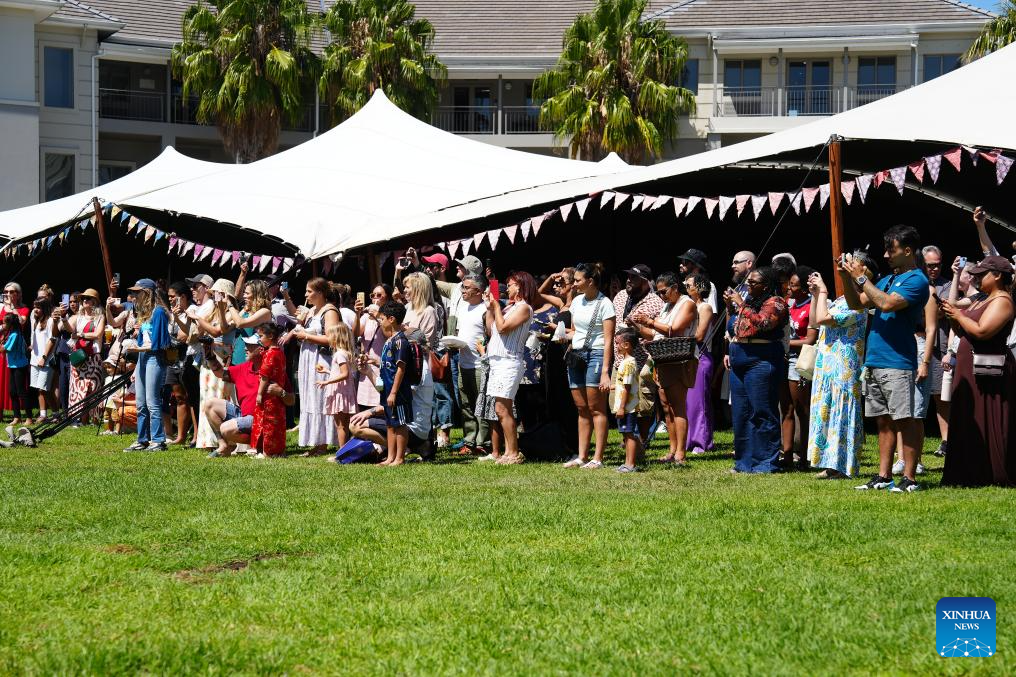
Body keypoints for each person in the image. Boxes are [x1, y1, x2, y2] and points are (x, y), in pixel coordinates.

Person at [843, 225, 930, 493]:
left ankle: (910, 478)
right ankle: (883, 476)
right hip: (875, 359)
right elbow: (856, 304)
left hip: (898, 361)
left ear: (908, 251)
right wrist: (846, 276)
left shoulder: (917, 280)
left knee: (905, 420)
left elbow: (886, 304)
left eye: (891, 250)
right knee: (882, 420)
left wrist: (861, 278)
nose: (885, 255)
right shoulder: (888, 279)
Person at [941, 255, 1015, 487]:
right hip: (969, 367)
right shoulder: (981, 299)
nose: (977, 278)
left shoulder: (1003, 300)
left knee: (987, 417)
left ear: (998, 276)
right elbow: (963, 330)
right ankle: (965, 470)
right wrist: (952, 317)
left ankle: (989, 471)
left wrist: (958, 315)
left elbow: (983, 331)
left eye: (983, 274)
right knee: (966, 416)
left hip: (988, 372)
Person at [806, 260, 874, 479]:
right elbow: (815, 322)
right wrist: (816, 295)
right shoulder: (842, 300)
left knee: (842, 412)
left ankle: (843, 465)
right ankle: (829, 462)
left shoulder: (860, 303)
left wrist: (824, 291)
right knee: (826, 409)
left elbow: (824, 318)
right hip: (827, 362)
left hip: (844, 365)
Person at [723, 267, 789, 474]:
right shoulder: (750, 302)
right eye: (748, 282)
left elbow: (764, 323)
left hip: (761, 359)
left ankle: (765, 462)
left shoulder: (776, 302)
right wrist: (730, 307)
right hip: (739, 357)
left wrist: (740, 304)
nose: (748, 286)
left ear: (766, 285)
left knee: (762, 411)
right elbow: (733, 327)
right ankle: (744, 462)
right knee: (740, 412)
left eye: (753, 282)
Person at [630, 271, 696, 465]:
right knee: (667, 408)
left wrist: (650, 321)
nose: (661, 296)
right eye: (658, 292)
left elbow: (675, 329)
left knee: (678, 406)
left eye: (663, 291)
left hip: (680, 360)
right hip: (662, 359)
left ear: (675, 287)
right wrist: (637, 325)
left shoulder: (687, 304)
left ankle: (681, 453)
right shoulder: (667, 306)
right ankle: (672, 450)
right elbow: (655, 334)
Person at [474, 271, 535, 465]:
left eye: (510, 285)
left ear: (520, 286)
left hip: (509, 361)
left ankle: (514, 453)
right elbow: (491, 329)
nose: (507, 288)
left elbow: (503, 328)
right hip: (497, 361)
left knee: (502, 408)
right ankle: (509, 452)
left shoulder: (524, 308)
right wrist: (490, 309)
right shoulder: (510, 307)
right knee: (501, 408)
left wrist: (496, 307)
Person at [347, 329, 435, 462]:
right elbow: (385, 392)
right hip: (415, 427)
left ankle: (404, 449)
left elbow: (396, 401)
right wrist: (369, 371)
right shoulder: (418, 366)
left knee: (357, 426)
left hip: (412, 428)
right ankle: (400, 449)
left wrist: (370, 412)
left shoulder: (417, 370)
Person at [561, 263, 616, 469]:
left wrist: (605, 372)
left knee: (596, 408)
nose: (574, 284)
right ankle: (582, 456)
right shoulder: (576, 302)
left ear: (590, 281)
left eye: (577, 280)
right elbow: (575, 331)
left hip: (597, 354)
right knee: (582, 408)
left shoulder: (605, 304)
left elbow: (609, 340)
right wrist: (562, 336)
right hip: (576, 354)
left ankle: (598, 458)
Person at [204, 335, 294, 457]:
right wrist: (209, 355)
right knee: (209, 404)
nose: (245, 348)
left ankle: (260, 443)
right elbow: (220, 373)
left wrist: (281, 392)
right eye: (246, 345)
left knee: (225, 429)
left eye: (250, 346)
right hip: (244, 416)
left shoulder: (274, 370)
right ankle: (224, 446)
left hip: (262, 420)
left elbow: (291, 401)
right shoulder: (244, 367)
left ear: (260, 349)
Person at [287, 277, 341, 454]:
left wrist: (306, 336)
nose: (306, 295)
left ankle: (323, 443)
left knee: (320, 397)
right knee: (310, 397)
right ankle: (316, 441)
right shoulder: (312, 311)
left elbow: (332, 339)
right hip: (308, 357)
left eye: (309, 291)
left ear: (320, 293)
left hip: (321, 359)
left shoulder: (330, 311)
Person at [121, 280, 172, 452]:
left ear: (147, 293)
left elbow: (160, 344)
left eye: (137, 292)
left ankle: (158, 440)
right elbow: (144, 340)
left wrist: (137, 348)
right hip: (143, 358)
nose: (134, 296)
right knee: (140, 402)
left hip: (154, 358)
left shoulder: (159, 312)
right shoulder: (144, 313)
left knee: (152, 401)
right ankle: (142, 439)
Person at [188, 278, 237, 449]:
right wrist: (195, 320)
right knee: (206, 396)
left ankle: (225, 439)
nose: (214, 297)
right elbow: (199, 332)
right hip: (208, 356)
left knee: (221, 397)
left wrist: (198, 318)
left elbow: (218, 331)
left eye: (217, 293)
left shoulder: (231, 313)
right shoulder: (211, 312)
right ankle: (208, 440)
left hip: (223, 358)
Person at [453, 273, 492, 456]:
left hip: (479, 365)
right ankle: (469, 440)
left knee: (480, 403)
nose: (463, 290)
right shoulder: (463, 308)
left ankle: (483, 442)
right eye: (463, 287)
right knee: (466, 404)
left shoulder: (485, 309)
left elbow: (491, 335)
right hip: (463, 363)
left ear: (478, 291)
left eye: (467, 287)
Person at [784, 266, 818, 467]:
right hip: (785, 358)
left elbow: (810, 339)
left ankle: (804, 456)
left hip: (800, 360)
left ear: (804, 288)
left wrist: (784, 343)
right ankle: (787, 456)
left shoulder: (811, 305)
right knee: (786, 408)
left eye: (793, 285)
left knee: (801, 409)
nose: (789, 288)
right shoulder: (790, 305)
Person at [922, 245, 952, 457]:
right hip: (917, 344)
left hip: (940, 347)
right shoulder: (915, 283)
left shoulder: (948, 285)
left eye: (937, 265)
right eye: (929, 265)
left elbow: (945, 310)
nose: (934, 269)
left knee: (941, 396)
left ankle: (946, 440)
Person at [374, 301, 412, 466]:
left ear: (391, 319)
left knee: (399, 424)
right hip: (387, 390)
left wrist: (394, 392)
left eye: (382, 319)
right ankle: (390, 457)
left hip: (398, 392)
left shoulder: (400, 341)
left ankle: (400, 458)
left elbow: (401, 368)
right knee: (390, 424)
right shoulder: (389, 340)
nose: (380, 322)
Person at [63, 288, 106, 426]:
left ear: (95, 301)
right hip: (79, 357)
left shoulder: (100, 317)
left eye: (88, 298)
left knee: (93, 388)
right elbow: (69, 329)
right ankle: (80, 420)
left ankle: (94, 419)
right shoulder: (78, 316)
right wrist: (63, 318)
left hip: (93, 357)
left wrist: (80, 334)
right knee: (78, 388)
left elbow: (97, 334)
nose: (85, 300)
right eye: (83, 298)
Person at [684, 272, 716, 454]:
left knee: (699, 403)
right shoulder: (687, 305)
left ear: (699, 287)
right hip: (689, 355)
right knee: (689, 402)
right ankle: (689, 439)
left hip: (700, 355)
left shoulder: (705, 307)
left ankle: (702, 442)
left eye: (689, 285)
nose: (686, 287)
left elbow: (700, 335)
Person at [317, 322, 358, 448]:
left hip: (340, 392)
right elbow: (344, 373)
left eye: (330, 336)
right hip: (345, 391)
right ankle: (345, 451)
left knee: (340, 426)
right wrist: (327, 371)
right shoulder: (345, 353)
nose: (328, 338)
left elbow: (345, 374)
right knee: (344, 425)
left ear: (337, 337)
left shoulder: (339, 354)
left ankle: (341, 452)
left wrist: (326, 382)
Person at [252, 322, 290, 457]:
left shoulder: (270, 354)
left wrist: (259, 394)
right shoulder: (280, 352)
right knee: (277, 423)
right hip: (278, 395)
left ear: (271, 336)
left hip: (268, 395)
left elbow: (264, 376)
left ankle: (267, 451)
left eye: (261, 336)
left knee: (267, 423)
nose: (259, 339)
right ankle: (278, 450)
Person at [353, 283, 392, 410]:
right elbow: (356, 333)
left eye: (379, 295)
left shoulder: (390, 316)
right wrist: (358, 314)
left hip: (381, 365)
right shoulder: (367, 316)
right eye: (373, 295)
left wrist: (378, 315)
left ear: (387, 297)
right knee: (364, 404)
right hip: (367, 366)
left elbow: (390, 334)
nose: (375, 297)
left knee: (381, 399)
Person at [612, 329, 642, 473]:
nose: (616, 346)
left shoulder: (629, 363)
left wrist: (622, 407)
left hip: (628, 407)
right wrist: (611, 386)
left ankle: (630, 464)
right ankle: (627, 463)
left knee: (629, 435)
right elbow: (623, 384)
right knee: (626, 434)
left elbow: (627, 387)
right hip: (626, 406)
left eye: (617, 343)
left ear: (626, 345)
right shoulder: (626, 362)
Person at [228, 278, 272, 366]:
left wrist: (229, 304)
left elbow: (240, 323)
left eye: (247, 293)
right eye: (244, 293)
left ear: (257, 295)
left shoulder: (265, 312)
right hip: (236, 357)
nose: (244, 296)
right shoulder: (246, 310)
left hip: (251, 361)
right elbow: (227, 326)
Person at [1, 282, 29, 420]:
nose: (8, 294)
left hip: (14, 349)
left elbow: (21, 322)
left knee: (17, 386)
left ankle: (21, 415)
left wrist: (12, 307)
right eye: (6, 291)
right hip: (3, 346)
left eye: (11, 291)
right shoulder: (1, 307)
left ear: (18, 294)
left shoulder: (23, 309)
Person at [29, 294, 57, 423]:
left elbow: (52, 340)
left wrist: (44, 357)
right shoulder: (35, 321)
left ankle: (56, 414)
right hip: (34, 359)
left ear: (45, 308)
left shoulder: (50, 321)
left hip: (46, 360)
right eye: (35, 307)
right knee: (39, 389)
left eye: (39, 307)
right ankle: (43, 414)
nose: (35, 309)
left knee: (44, 389)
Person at [403, 272, 441, 349]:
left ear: (418, 289)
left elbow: (427, 345)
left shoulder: (429, 311)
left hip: (419, 356)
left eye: (407, 287)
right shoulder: (409, 307)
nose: (404, 290)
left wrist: (405, 328)